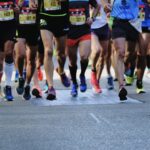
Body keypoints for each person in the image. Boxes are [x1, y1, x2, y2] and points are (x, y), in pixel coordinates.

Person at [102, 0, 145, 100]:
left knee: (132, 53)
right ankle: (122, 86)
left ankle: (125, 67)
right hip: (118, 22)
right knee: (120, 52)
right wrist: (105, 5)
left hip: (133, 22)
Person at [30, 0, 70, 100]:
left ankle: (61, 71)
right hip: (45, 16)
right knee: (48, 51)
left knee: (61, 54)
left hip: (61, 17)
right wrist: (31, 1)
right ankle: (51, 87)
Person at [67, 0, 100, 97]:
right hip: (70, 32)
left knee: (84, 57)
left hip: (84, 31)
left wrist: (92, 18)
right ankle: (74, 83)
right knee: (72, 62)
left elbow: (97, 6)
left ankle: (82, 75)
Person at [15, 0, 39, 100]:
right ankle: (21, 77)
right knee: (20, 55)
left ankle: (28, 85)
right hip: (20, 28)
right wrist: (17, 8)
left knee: (31, 60)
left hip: (34, 28)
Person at [90, 0, 113, 94]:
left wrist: (109, 10)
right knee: (96, 51)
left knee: (103, 56)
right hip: (92, 27)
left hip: (104, 26)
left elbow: (110, 8)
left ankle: (97, 82)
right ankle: (92, 70)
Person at [0, 0, 18, 101]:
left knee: (9, 52)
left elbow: (18, 7)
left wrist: (17, 10)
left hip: (10, 25)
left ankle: (8, 86)